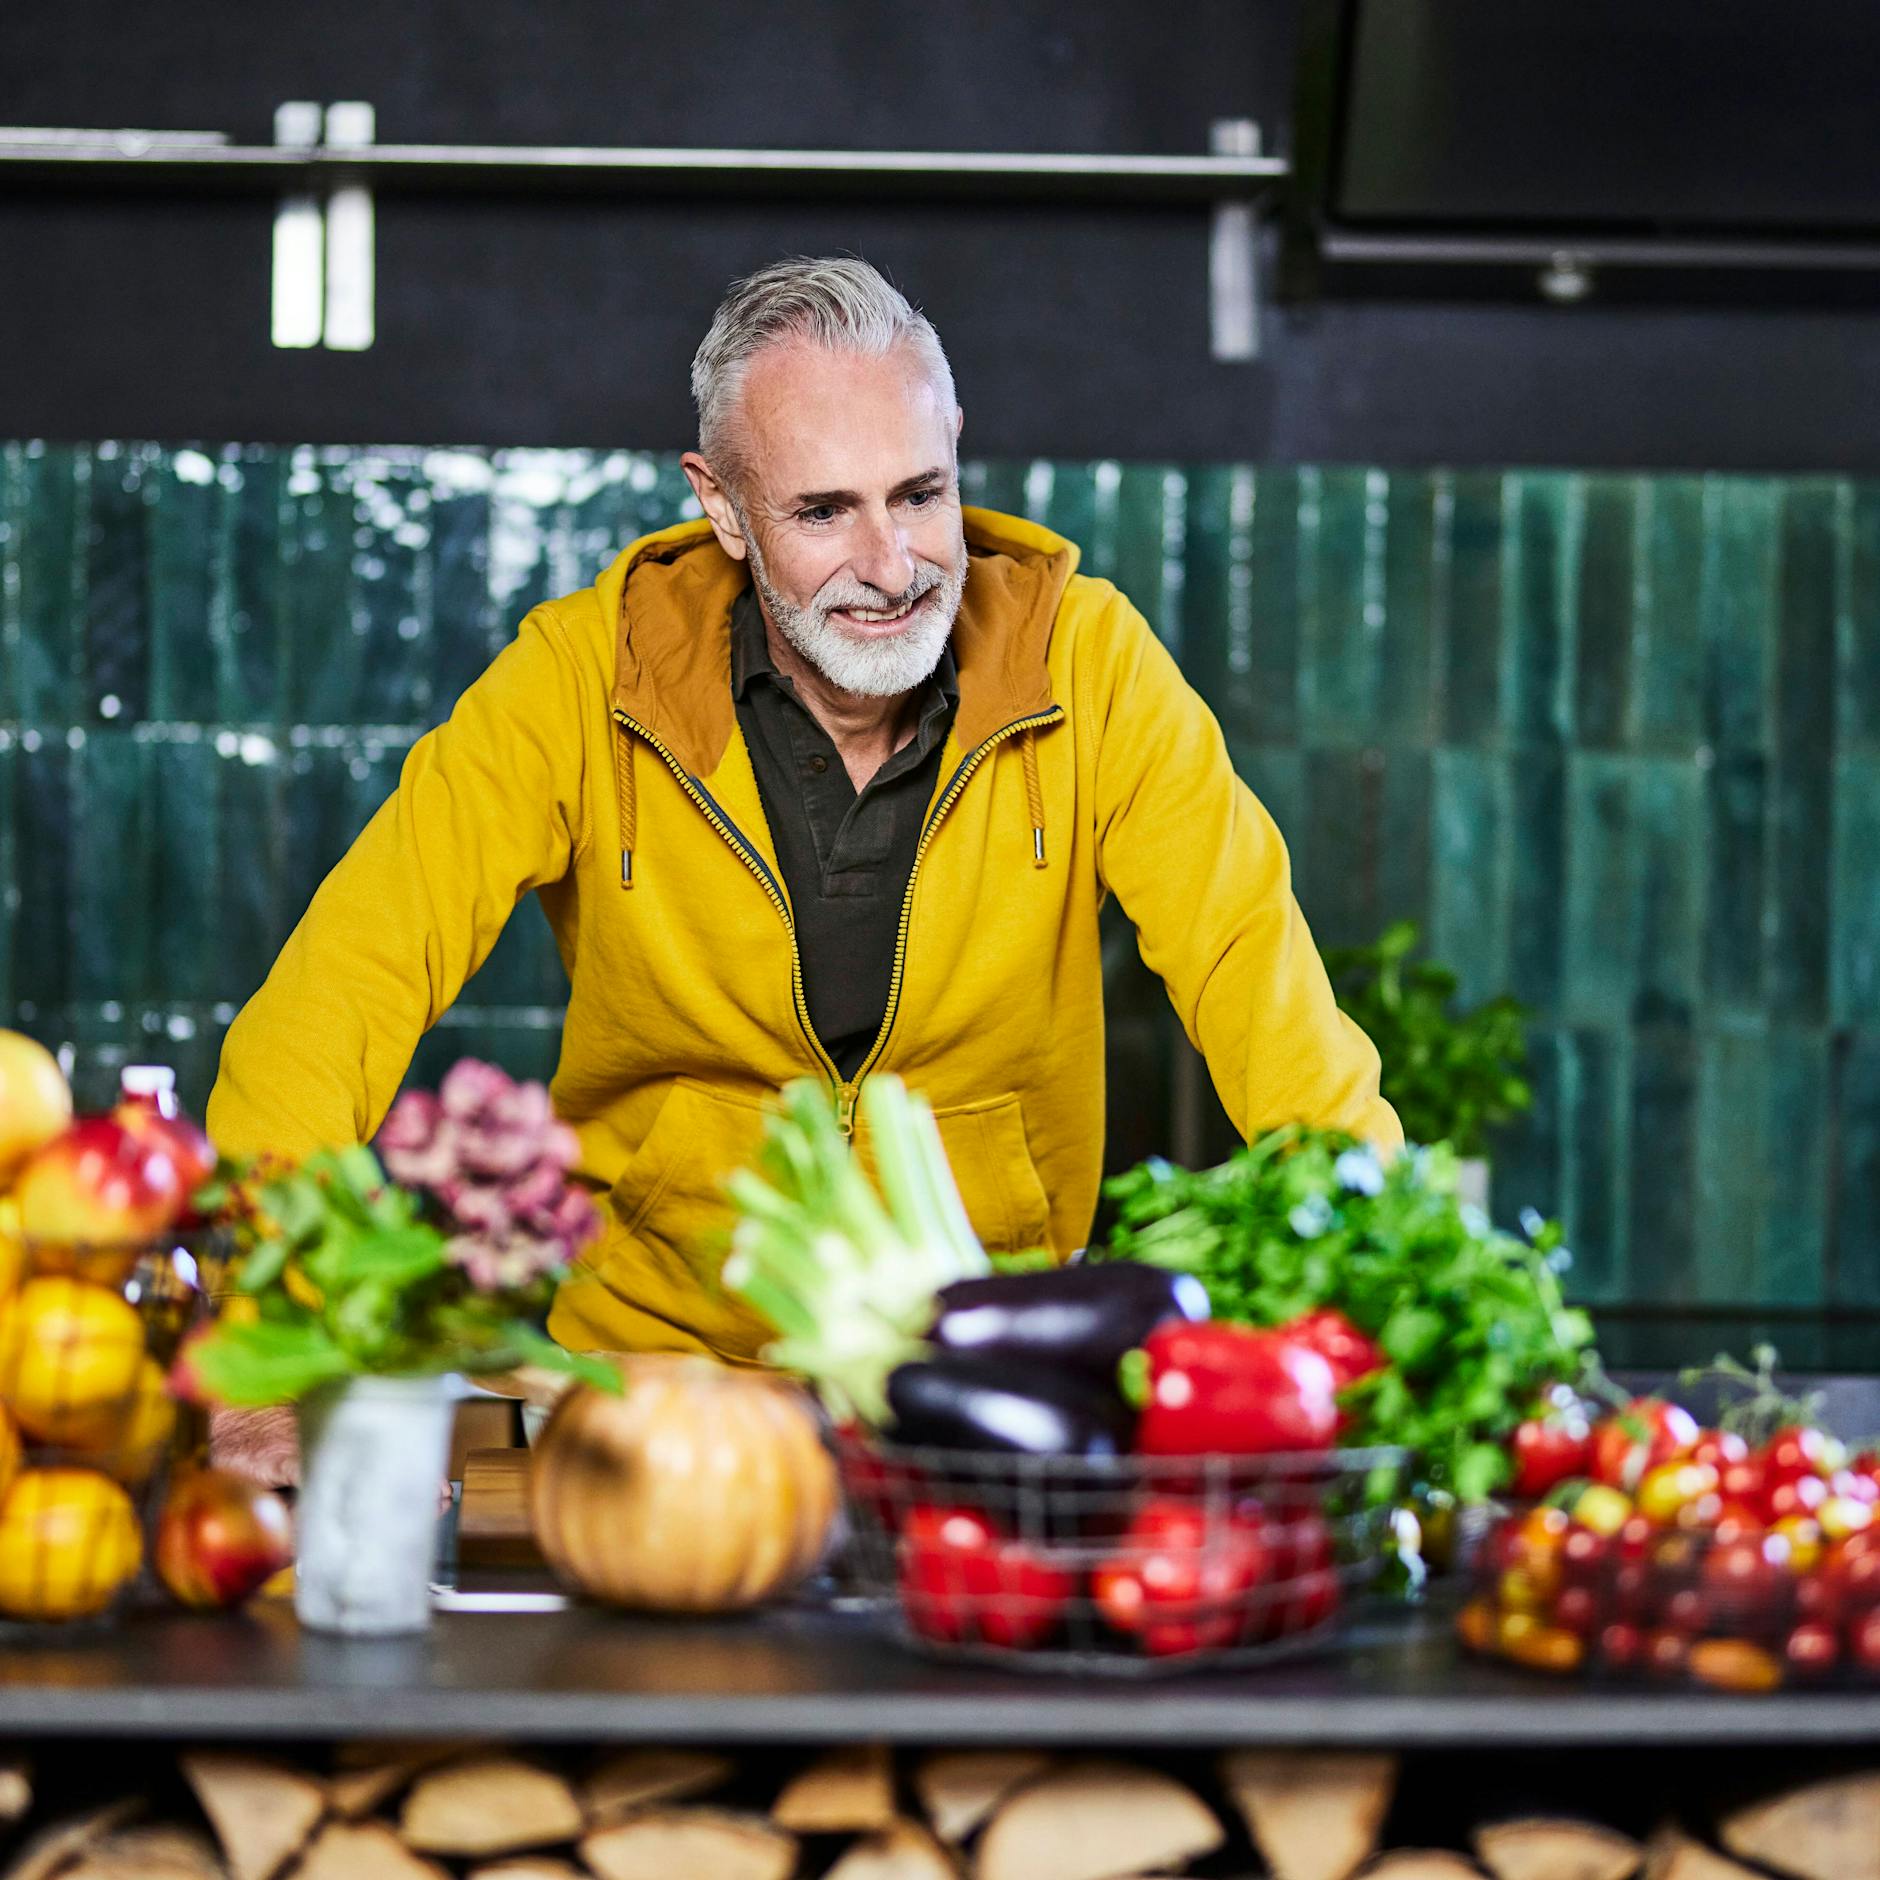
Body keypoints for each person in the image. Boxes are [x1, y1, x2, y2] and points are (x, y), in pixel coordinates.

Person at [206, 256, 1398, 1482]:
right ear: (720, 505)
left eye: (919, 494)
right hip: (644, 1395)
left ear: (956, 452)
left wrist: (1390, 1285)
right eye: (823, 512)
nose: (890, 566)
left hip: (990, 1393)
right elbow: (340, 991)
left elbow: (1259, 984)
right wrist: (262, 1338)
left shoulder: (1088, 666)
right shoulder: (579, 677)